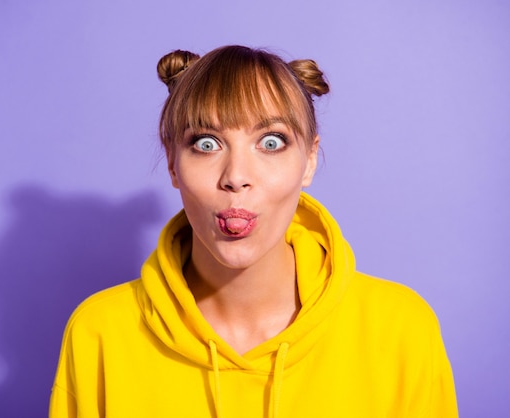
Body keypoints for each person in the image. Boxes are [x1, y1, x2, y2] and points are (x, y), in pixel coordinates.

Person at [49, 45, 458, 417]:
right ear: (172, 161)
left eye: (271, 142)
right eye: (207, 144)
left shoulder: (401, 329)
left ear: (310, 159)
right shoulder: (99, 332)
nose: (236, 177)